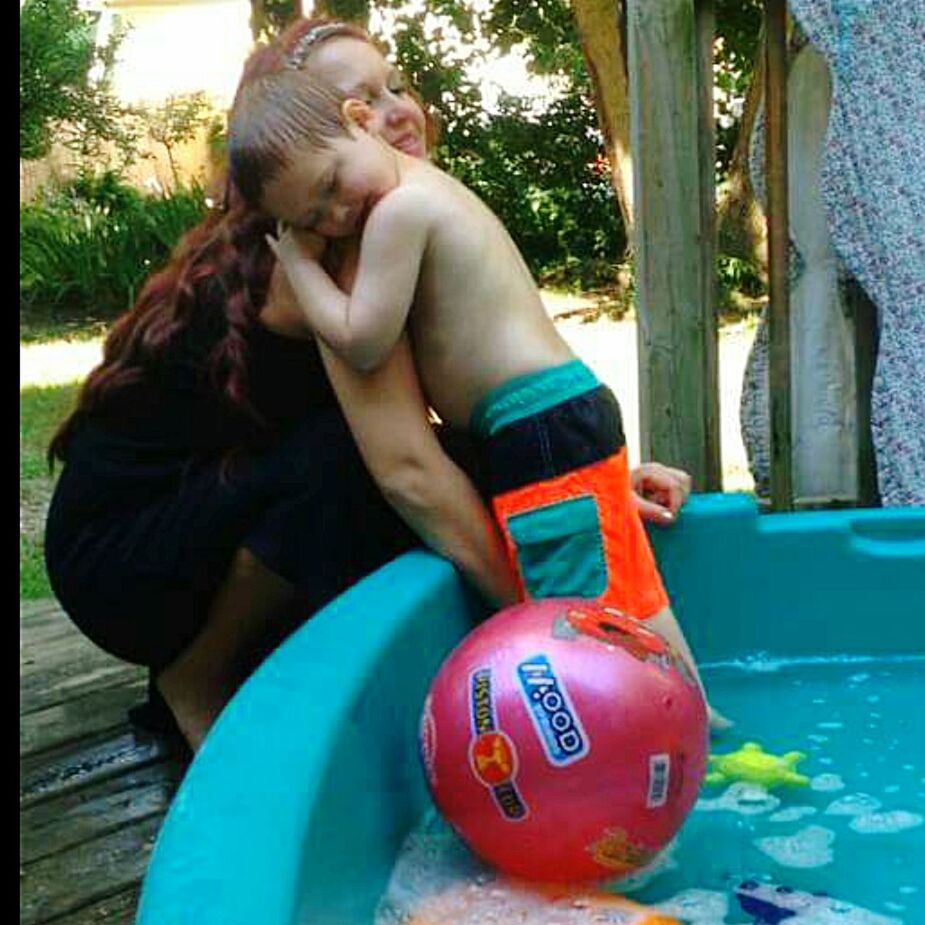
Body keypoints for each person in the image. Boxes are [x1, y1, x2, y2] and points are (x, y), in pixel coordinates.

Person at [42, 18, 696, 753]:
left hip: (225, 504)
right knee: (343, 461)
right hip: (125, 553)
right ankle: (196, 676)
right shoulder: (325, 258)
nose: (395, 113)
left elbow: (454, 420)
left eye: (394, 87)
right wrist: (540, 628)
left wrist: (588, 485)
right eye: (360, 99)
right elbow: (408, 472)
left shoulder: (383, 218)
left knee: (351, 466)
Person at [226, 20, 729, 728]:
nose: (340, 215)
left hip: (534, 429)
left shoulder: (395, 214)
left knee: (580, 638)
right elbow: (411, 455)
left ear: (353, 125)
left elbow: (362, 340)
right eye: (316, 215)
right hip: (560, 415)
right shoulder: (425, 195)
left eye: (334, 186)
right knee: (630, 605)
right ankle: (700, 725)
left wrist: (302, 261)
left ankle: (652, 743)